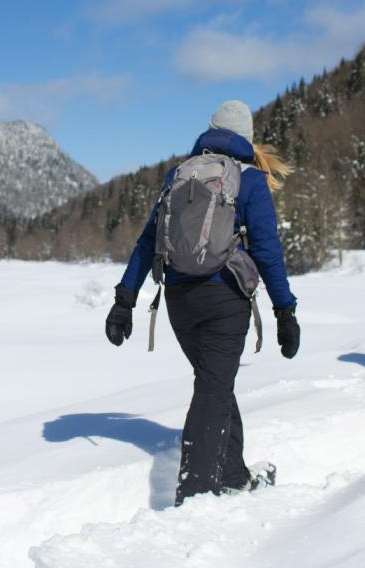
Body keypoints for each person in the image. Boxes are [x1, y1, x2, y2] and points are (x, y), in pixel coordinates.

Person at [104, 100, 300, 505]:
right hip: (224, 299)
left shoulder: (180, 174)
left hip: (178, 301)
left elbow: (147, 240)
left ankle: (232, 475)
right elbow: (267, 251)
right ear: (247, 138)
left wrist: (125, 299)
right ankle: (195, 494)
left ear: (209, 131)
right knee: (213, 388)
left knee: (215, 383)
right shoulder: (249, 180)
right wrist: (285, 310)